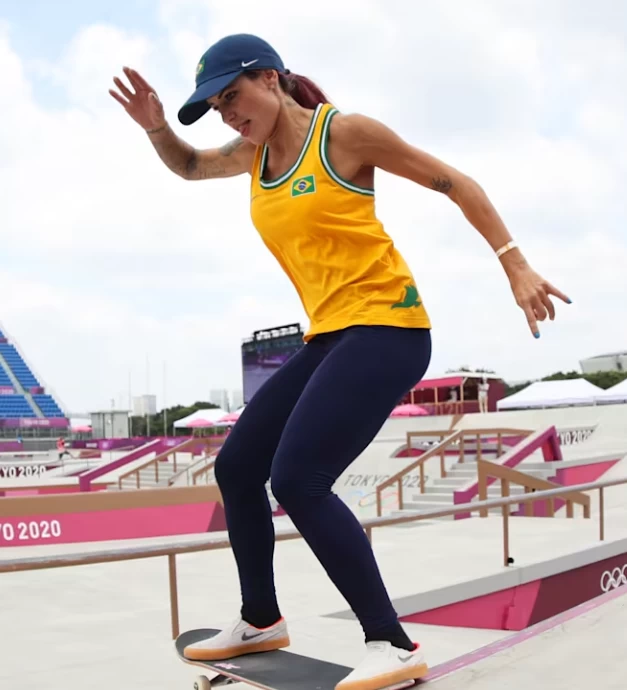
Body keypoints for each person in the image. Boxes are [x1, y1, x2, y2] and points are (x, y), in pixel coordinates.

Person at [109, 33, 571, 690]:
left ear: (268, 78)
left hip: (388, 328)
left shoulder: (343, 135)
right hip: (328, 336)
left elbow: (453, 182)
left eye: (231, 98)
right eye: (215, 108)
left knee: (298, 478)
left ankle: (390, 641)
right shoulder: (251, 155)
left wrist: (514, 263)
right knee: (238, 467)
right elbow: (186, 166)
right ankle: (261, 618)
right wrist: (156, 127)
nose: (227, 115)